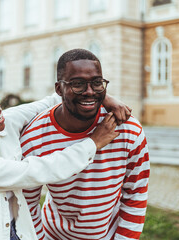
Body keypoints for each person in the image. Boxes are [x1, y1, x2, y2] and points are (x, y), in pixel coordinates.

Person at [0, 78, 131, 240]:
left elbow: (49, 102)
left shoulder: (6, 122)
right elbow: (31, 172)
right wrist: (92, 143)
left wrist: (103, 97)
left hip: (18, 231)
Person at [21, 49, 150, 240]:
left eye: (97, 83)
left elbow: (136, 193)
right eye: (78, 84)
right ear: (59, 89)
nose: (89, 92)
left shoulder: (128, 129)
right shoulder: (35, 137)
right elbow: (27, 205)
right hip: (53, 235)